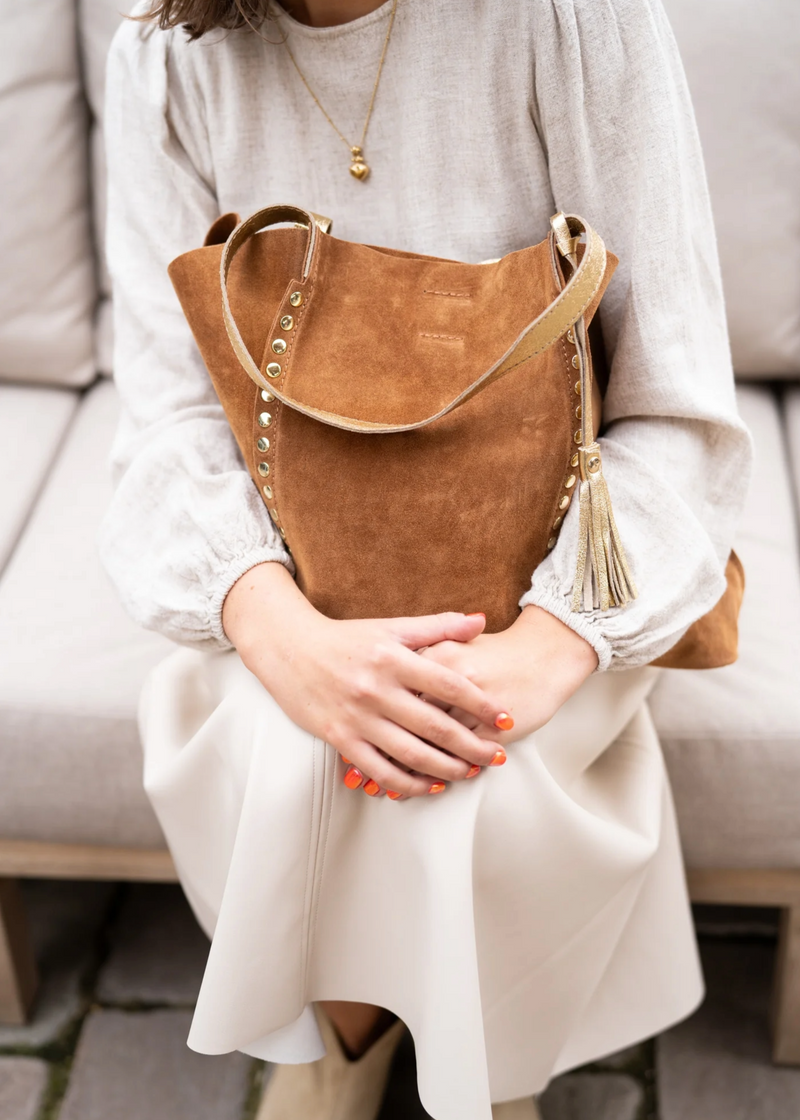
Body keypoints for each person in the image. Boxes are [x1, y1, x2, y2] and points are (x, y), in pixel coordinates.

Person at [99, 0, 752, 1117]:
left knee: (450, 772)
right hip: (290, 566)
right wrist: (281, 632)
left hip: (548, 566)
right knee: (296, 743)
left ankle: (461, 1066)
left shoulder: (572, 16)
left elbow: (674, 411)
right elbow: (166, 419)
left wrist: (551, 645)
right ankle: (357, 1043)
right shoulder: (166, 54)